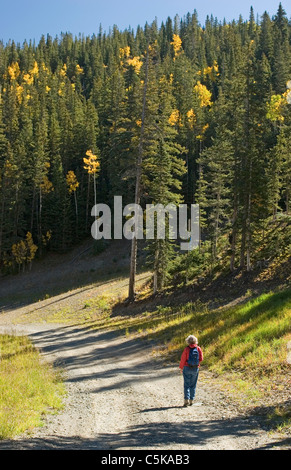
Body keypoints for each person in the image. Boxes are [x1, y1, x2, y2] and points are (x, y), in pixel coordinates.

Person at [179, 335, 203, 407]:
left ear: (188, 341)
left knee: (186, 385)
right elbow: (201, 359)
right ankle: (191, 400)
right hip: (195, 368)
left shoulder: (186, 349)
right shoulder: (198, 348)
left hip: (186, 368)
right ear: (196, 341)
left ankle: (186, 400)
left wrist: (181, 368)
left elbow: (183, 359)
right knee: (193, 385)